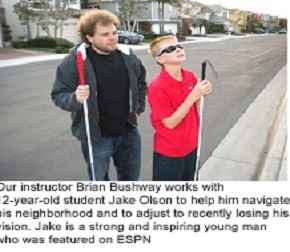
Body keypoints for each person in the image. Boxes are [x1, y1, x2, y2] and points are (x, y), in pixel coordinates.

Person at [51, 9, 147, 181]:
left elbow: (141, 83)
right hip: (96, 136)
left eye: (114, 33)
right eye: (105, 34)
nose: (113, 38)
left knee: (130, 179)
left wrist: (138, 107)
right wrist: (76, 99)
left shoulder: (128, 57)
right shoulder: (75, 61)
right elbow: (59, 94)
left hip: (128, 132)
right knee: (99, 181)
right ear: (89, 37)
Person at [147, 35, 212, 181]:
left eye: (179, 46)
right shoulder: (157, 87)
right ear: (160, 59)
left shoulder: (190, 77)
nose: (178, 49)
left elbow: (195, 107)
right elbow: (169, 123)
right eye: (170, 49)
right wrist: (193, 96)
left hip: (192, 146)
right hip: (170, 153)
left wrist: (201, 93)